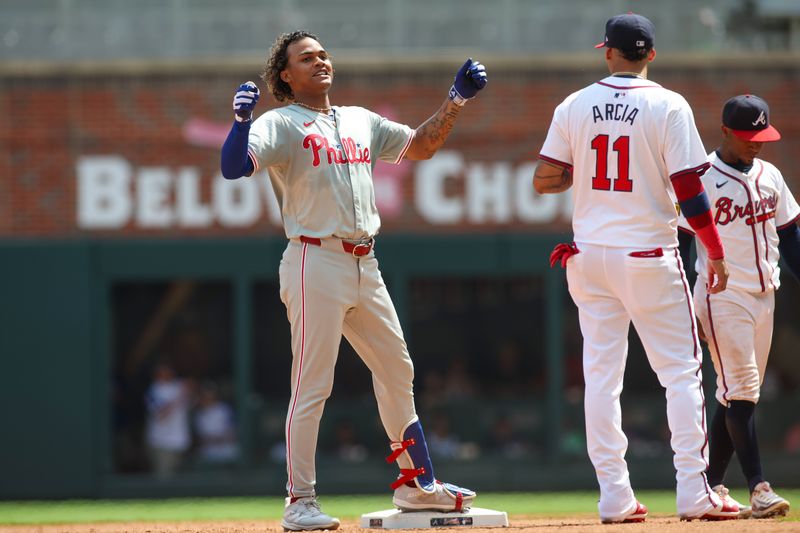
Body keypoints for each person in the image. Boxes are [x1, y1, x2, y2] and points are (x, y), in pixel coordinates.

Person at [220, 30, 487, 531]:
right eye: (306, 57)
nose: (320, 61)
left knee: (397, 369)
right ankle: (300, 501)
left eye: (322, 54)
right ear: (285, 74)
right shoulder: (280, 122)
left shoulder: (360, 119)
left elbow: (423, 146)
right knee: (312, 383)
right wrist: (239, 123)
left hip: (366, 261)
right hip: (313, 258)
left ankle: (415, 485)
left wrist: (457, 99)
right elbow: (234, 167)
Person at [533, 13, 739, 523]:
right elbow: (689, 191)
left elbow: (545, 179)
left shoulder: (574, 104)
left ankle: (614, 496)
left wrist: (585, 170)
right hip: (646, 253)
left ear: (608, 52)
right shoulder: (668, 103)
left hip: (589, 255)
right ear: (651, 54)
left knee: (601, 378)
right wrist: (714, 249)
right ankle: (693, 490)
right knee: (681, 374)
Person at [678, 94, 798, 519]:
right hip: (720, 296)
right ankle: (759, 489)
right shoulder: (702, 178)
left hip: (765, 295)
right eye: (748, 135)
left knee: (736, 397)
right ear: (725, 131)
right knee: (743, 389)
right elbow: (680, 240)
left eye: (762, 134)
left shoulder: (771, 175)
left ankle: (708, 485)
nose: (756, 143)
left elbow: (791, 235)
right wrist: (680, 298)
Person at [143, 362, 193, 479]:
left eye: (168, 371)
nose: (166, 374)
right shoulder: (152, 391)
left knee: (180, 478)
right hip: (161, 442)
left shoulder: (178, 386)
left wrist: (190, 388)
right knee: (164, 477)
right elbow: (161, 414)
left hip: (181, 441)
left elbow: (194, 402)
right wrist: (179, 397)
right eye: (162, 371)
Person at [193, 381, 239, 464]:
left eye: (209, 394)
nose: (206, 398)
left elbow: (233, 434)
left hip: (227, 453)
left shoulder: (224, 409)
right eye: (204, 395)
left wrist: (216, 439)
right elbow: (200, 439)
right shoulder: (199, 414)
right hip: (208, 454)